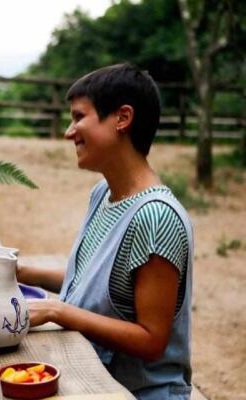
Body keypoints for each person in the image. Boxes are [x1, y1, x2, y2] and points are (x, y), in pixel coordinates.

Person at [18, 64, 193, 399]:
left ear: (122, 119)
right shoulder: (102, 194)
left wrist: (58, 310)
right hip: (94, 379)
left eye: (79, 117)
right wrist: (21, 271)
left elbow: (152, 340)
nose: (69, 132)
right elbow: (99, 287)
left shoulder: (156, 217)